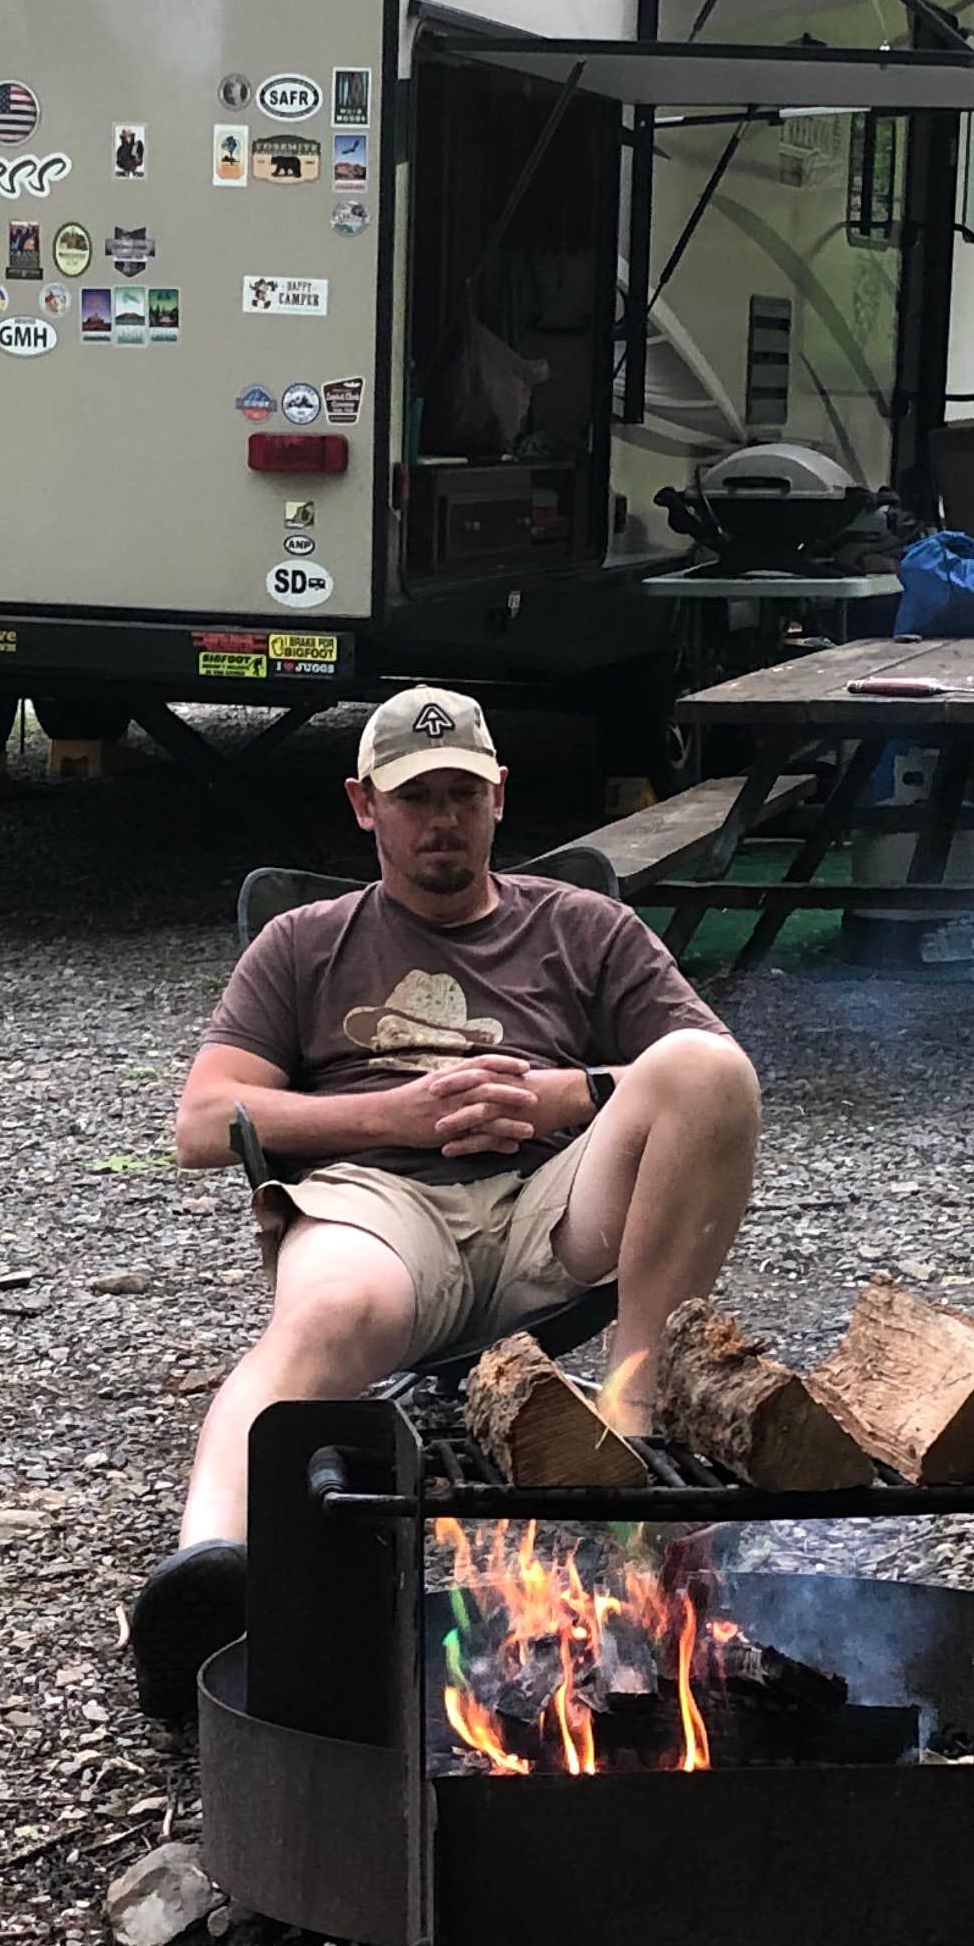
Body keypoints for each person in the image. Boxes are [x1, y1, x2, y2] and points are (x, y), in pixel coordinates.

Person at [127, 686, 762, 1719]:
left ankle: (633, 1419)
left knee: (703, 1068)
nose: (442, 819)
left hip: (554, 1201)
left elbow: (717, 1076)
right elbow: (203, 1121)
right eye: (415, 797)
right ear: (364, 805)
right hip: (379, 1206)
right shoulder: (303, 943)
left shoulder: (585, 928)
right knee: (325, 1317)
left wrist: (568, 1092)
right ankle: (209, 1574)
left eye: (463, 793)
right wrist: (401, 1114)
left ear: (499, 798)